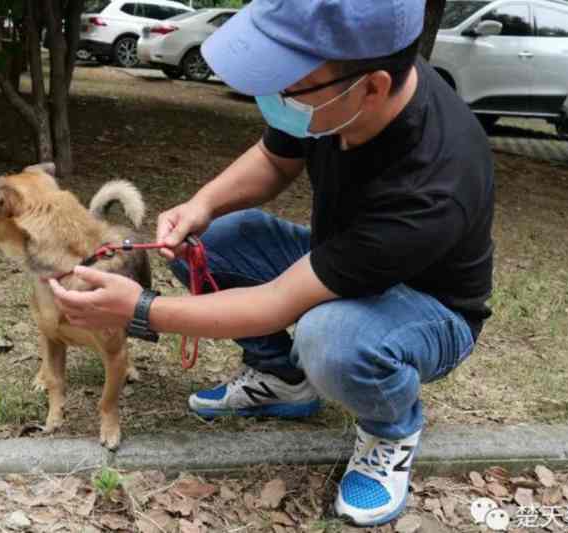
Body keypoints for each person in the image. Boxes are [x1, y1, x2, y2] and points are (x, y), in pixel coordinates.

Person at [49, 0, 495, 526]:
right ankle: (283, 380)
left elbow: (276, 302)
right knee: (211, 243)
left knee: (332, 337)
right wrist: (202, 205)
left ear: (372, 87)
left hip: (429, 310)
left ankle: (391, 430)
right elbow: (273, 158)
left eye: (289, 86)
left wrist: (139, 309)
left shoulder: (435, 182)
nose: (273, 96)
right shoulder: (343, 83)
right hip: (342, 259)